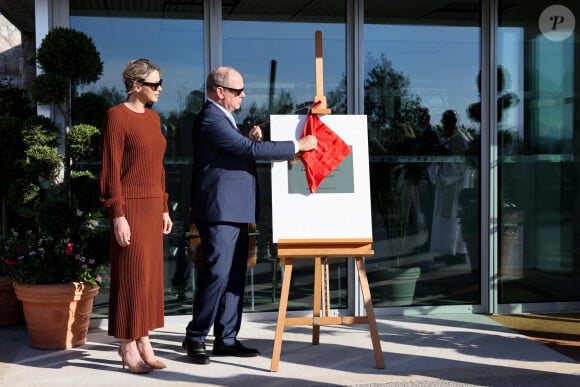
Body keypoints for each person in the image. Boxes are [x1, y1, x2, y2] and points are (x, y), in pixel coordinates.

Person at [183, 66, 317, 365]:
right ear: (220, 92)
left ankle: (226, 338)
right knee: (217, 273)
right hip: (219, 211)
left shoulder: (225, 119)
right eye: (237, 90)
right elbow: (245, 149)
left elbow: (239, 147)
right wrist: (298, 145)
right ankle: (195, 336)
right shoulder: (210, 118)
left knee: (233, 276)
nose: (243, 95)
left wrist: (249, 137)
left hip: (235, 210)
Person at [100, 58, 173, 373]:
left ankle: (143, 339)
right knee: (130, 277)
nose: (160, 89)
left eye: (160, 83)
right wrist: (117, 213)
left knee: (148, 279)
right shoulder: (116, 117)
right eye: (154, 84)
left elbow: (158, 166)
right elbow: (111, 168)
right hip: (129, 207)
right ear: (136, 85)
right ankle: (127, 344)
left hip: (152, 206)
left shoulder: (154, 119)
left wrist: (164, 206)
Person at [428, 109, 471, 264]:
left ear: (454, 121)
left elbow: (462, 166)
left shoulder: (460, 139)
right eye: (443, 121)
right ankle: (447, 251)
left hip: (454, 186)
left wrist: (445, 157)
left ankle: (455, 253)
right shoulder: (449, 139)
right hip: (446, 184)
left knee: (452, 220)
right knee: (445, 221)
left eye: (446, 121)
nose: (444, 124)